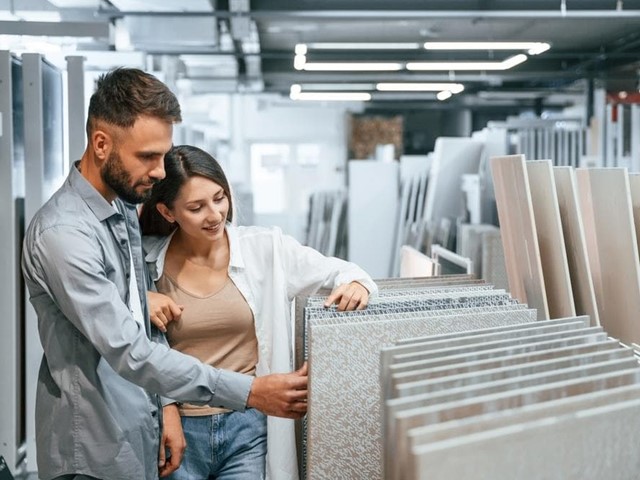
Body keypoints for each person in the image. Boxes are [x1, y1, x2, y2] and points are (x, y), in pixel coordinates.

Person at [21, 67, 310, 480]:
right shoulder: (65, 234)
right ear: (101, 144)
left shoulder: (120, 208)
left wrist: (166, 409)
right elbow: (130, 351)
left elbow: (144, 323)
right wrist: (249, 392)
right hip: (93, 453)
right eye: (147, 157)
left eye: (163, 153)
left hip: (139, 434)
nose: (161, 171)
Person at [139, 144, 378, 480]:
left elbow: (343, 271)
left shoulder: (265, 248)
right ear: (167, 212)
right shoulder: (147, 265)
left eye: (219, 198)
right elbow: (129, 339)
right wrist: (139, 299)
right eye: (196, 207)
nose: (215, 215)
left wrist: (358, 284)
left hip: (247, 426)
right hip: (178, 428)